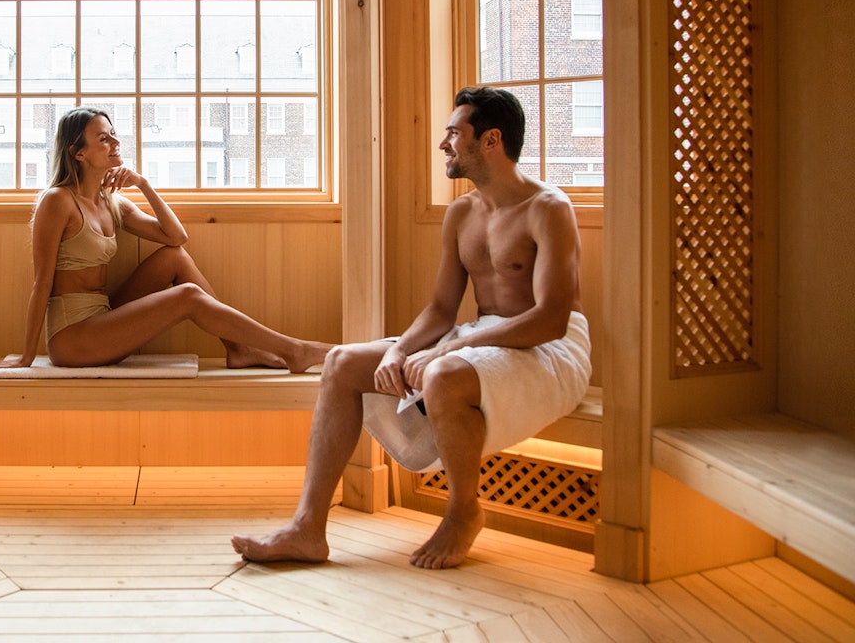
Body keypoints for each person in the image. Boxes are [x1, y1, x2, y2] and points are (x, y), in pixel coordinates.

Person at [231, 86, 591, 569]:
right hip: (483, 335)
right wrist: (399, 351)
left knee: (443, 374)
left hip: (552, 349)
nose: (444, 144)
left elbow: (551, 319)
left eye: (453, 133)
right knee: (341, 362)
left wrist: (444, 353)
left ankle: (464, 513)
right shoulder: (462, 213)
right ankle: (306, 529)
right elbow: (442, 310)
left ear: (491, 140)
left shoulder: (548, 209)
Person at [0, 106, 331, 376]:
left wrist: (144, 185)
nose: (116, 143)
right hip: (72, 339)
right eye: (103, 138)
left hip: (103, 317)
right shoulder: (57, 201)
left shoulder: (112, 203)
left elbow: (176, 237)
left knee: (173, 258)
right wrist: (27, 356)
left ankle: (238, 348)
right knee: (188, 297)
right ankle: (294, 350)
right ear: (79, 153)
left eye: (114, 134)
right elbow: (41, 281)